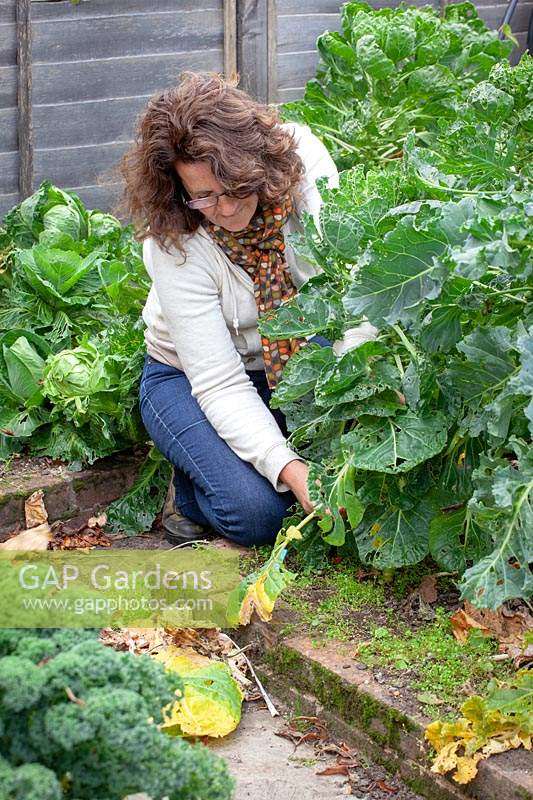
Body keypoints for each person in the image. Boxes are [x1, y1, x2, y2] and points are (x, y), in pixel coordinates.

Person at [118, 71, 339, 547]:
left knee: (337, 464)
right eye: (202, 195)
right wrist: (293, 471)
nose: (222, 208)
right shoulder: (173, 241)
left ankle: (227, 456)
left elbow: (349, 290)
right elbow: (218, 381)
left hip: (295, 354)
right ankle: (192, 490)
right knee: (259, 514)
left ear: (256, 164)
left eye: (234, 187)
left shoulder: (304, 165)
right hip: (188, 378)